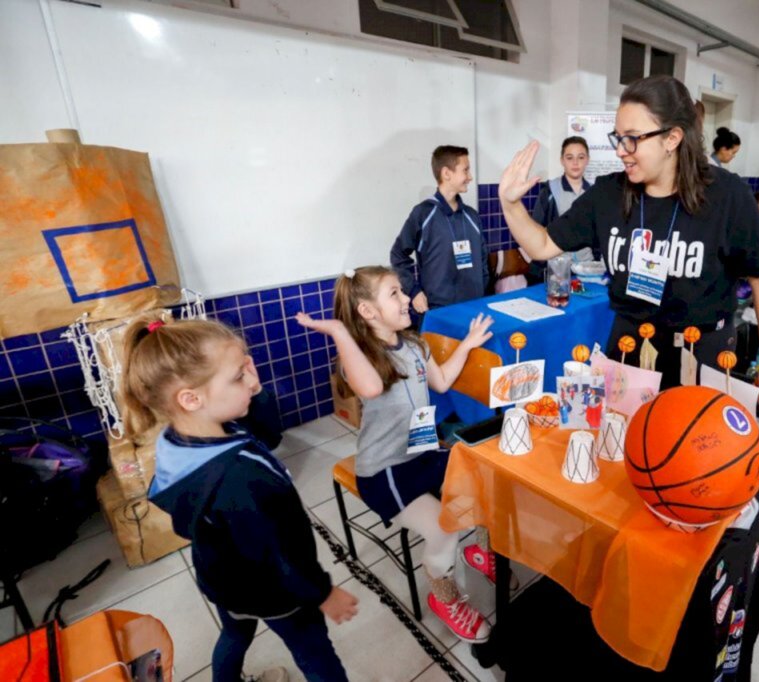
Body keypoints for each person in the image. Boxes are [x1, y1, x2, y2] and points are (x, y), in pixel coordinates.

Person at [496, 75, 759, 407]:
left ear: (672, 138)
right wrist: (510, 204)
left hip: (700, 351)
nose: (621, 151)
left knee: (691, 451)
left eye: (632, 139)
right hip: (629, 347)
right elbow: (542, 246)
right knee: (622, 448)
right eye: (618, 138)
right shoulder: (608, 194)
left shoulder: (726, 196)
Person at [123, 318, 358, 682]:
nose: (252, 380)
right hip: (274, 591)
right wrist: (323, 593)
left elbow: (267, 433)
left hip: (222, 579)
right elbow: (283, 555)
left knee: (234, 633)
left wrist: (250, 384)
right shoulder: (241, 479)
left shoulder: (180, 440)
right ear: (190, 398)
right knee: (315, 653)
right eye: (238, 376)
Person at [296, 266, 496, 643]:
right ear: (368, 312)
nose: (407, 299)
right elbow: (370, 388)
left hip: (422, 454)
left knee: (485, 478)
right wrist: (340, 332)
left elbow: (440, 382)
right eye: (394, 293)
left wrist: (467, 345)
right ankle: (445, 598)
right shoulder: (361, 358)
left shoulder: (416, 346)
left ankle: (481, 554)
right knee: (442, 527)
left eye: (402, 291)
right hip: (385, 471)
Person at [390, 146, 488, 317]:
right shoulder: (423, 213)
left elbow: (483, 260)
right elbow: (398, 256)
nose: (470, 177)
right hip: (439, 313)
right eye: (465, 170)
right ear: (446, 173)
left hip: (475, 309)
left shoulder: (472, 216)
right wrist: (414, 291)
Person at [527, 136, 597, 283]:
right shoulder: (549, 191)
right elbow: (535, 230)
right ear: (562, 161)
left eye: (581, 157)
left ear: (587, 160)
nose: (575, 163)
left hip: (587, 270)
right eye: (569, 157)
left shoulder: (594, 192)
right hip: (557, 270)